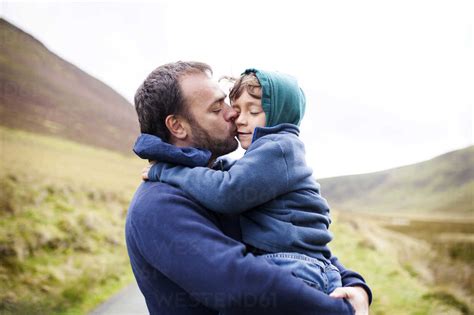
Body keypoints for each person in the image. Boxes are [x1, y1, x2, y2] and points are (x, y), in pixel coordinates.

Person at [127, 61, 371, 315]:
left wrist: (353, 283)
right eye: (216, 108)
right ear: (177, 126)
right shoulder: (157, 205)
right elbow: (242, 286)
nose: (233, 113)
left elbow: (297, 240)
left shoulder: (226, 174)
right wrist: (342, 311)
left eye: (226, 102)